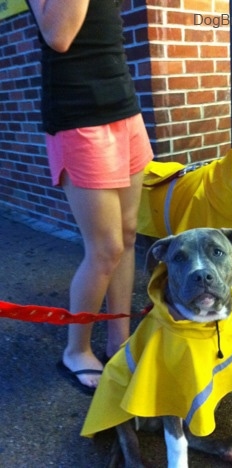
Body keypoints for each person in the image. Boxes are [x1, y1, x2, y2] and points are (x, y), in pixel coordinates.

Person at [27, 0, 153, 393]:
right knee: (105, 249)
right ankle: (76, 350)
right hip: (79, 114)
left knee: (129, 234)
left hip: (123, 106)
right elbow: (59, 35)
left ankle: (119, 341)